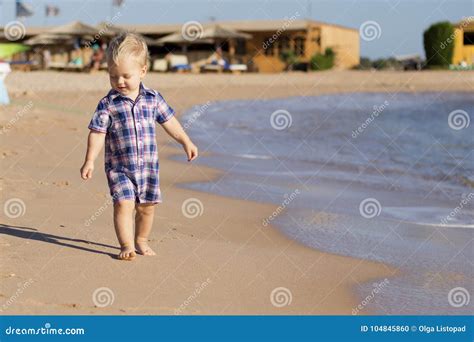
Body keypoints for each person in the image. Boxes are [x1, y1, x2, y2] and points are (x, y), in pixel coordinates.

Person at [80, 33, 198, 261]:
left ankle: (141, 240)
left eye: (126, 76)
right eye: (113, 76)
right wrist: (89, 160)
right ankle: (126, 245)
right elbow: (97, 133)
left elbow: (169, 122)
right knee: (123, 204)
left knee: (147, 208)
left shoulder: (153, 98)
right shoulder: (108, 103)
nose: (120, 82)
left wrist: (186, 141)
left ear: (143, 71)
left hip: (148, 169)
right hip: (119, 169)